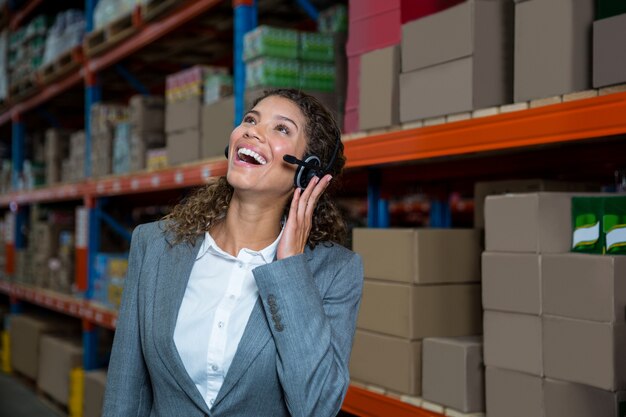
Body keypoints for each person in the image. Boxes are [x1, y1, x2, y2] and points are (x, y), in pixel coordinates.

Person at [102, 88, 364, 417]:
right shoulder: (154, 245)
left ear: (308, 174)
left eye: (281, 128)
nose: (252, 130)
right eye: (250, 120)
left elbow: (315, 407)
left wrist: (291, 269)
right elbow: (126, 388)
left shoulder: (337, 271)